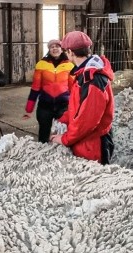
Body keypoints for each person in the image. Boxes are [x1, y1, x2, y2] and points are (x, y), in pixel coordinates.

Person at [50, 31, 115, 164]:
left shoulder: (92, 80)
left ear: (70, 52)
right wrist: (62, 120)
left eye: (65, 51)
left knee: (92, 181)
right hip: (84, 140)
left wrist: (64, 139)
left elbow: (86, 122)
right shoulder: (84, 74)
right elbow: (78, 107)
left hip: (92, 145)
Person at [22, 39, 74, 143]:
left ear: (61, 49)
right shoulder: (41, 64)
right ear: (49, 49)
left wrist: (76, 107)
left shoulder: (70, 65)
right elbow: (35, 88)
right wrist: (29, 110)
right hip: (45, 105)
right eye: (52, 47)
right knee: (43, 135)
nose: (54, 48)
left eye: (57, 46)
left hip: (63, 105)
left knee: (63, 132)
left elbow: (73, 88)